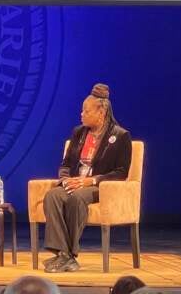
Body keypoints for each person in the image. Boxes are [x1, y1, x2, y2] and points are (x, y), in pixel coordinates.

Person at [42, 83, 132, 273]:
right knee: (53, 196)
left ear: (101, 113)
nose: (81, 114)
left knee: (76, 198)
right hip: (75, 183)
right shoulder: (78, 133)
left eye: (86, 111)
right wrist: (66, 179)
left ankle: (69, 255)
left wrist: (90, 181)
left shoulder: (120, 136)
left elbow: (121, 172)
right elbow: (65, 164)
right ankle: (64, 255)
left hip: (98, 187)